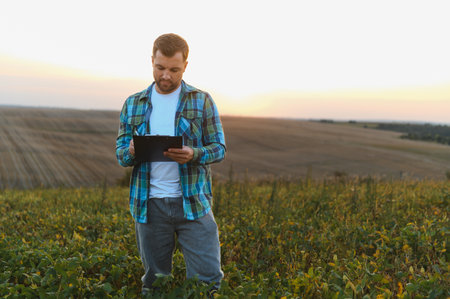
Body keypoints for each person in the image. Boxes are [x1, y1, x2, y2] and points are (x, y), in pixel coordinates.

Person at [115, 33, 226, 295]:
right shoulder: (133, 104)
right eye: (160, 68)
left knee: (207, 281)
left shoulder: (202, 100)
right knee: (155, 284)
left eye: (174, 70)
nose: (166, 76)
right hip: (149, 206)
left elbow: (219, 148)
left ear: (185, 65)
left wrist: (194, 154)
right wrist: (130, 150)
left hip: (194, 204)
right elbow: (120, 155)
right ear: (151, 61)